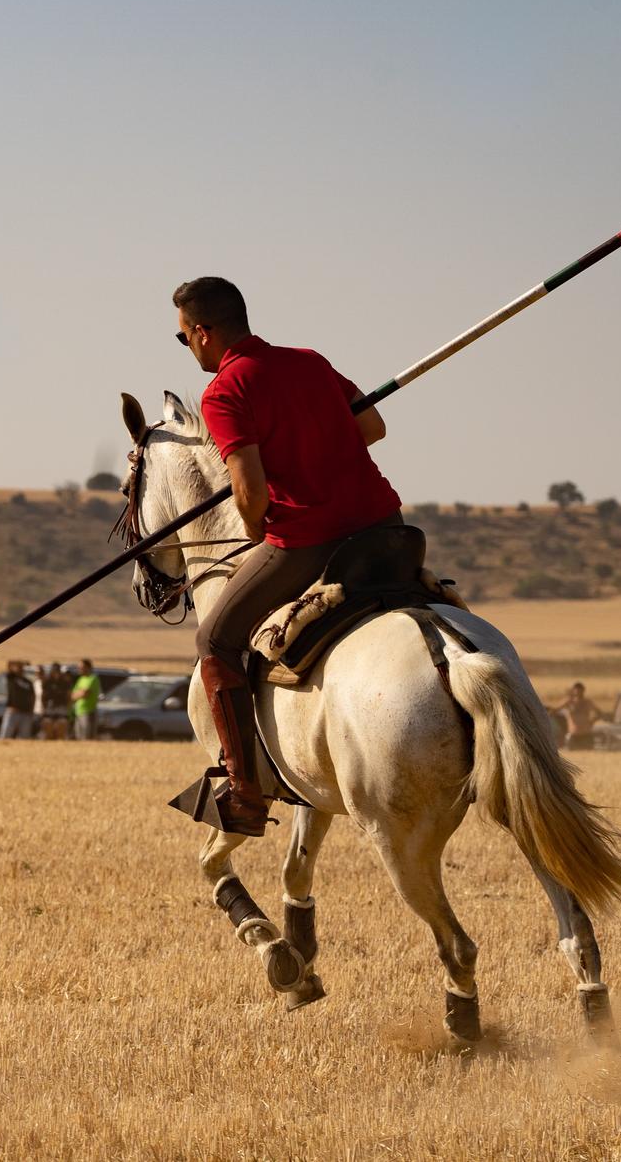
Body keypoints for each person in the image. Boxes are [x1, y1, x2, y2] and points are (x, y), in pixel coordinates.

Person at [173, 277, 402, 833]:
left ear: (203, 332)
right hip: (385, 528)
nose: (188, 347)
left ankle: (245, 792)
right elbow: (373, 426)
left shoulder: (225, 392)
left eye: (183, 338)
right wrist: (315, 442)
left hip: (310, 540)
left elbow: (249, 494)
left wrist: (257, 527)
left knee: (215, 639)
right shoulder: (310, 361)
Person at [554, 682, 607, 752]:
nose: (578, 693)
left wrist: (592, 721)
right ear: (573, 691)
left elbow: (599, 713)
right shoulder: (569, 702)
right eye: (576, 691)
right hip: (573, 735)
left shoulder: (587, 702)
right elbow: (554, 711)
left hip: (586, 735)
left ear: (583, 691)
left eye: (580, 690)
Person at [0, 660, 36, 741]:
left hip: (25, 713)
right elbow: (9, 665)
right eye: (18, 667)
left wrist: (31, 710)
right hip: (13, 711)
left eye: (21, 667)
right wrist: (17, 662)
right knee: (5, 735)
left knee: (25, 737)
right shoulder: (11, 678)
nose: (20, 669)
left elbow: (32, 697)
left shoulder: (28, 682)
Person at [71, 658, 103, 742]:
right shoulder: (81, 679)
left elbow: (85, 694)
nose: (79, 669)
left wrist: (80, 693)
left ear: (88, 668)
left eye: (81, 667)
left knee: (87, 737)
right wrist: (80, 693)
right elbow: (73, 695)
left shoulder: (93, 679)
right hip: (79, 711)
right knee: (79, 736)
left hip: (89, 712)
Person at [39, 663, 71, 740]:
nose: (56, 673)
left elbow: (68, 695)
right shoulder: (47, 681)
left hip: (61, 706)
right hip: (50, 706)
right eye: (54, 671)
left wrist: (68, 707)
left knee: (62, 724)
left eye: (57, 671)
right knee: (47, 724)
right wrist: (43, 707)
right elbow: (43, 695)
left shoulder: (65, 682)